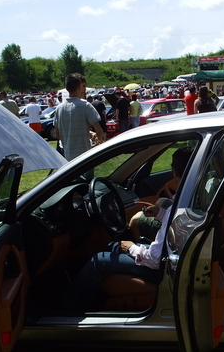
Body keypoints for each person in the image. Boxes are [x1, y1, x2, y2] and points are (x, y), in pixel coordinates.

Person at [69, 147, 191, 311]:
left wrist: (132, 248)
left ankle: (70, 306)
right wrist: (160, 213)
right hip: (174, 262)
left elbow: (155, 260)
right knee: (112, 247)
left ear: (174, 171)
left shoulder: (179, 210)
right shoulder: (190, 198)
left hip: (163, 269)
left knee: (98, 261)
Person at [54, 73, 104, 161]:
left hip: (68, 158)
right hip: (85, 157)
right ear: (79, 87)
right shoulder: (86, 105)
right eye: (83, 86)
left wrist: (88, 134)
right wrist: (98, 142)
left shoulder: (59, 108)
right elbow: (99, 131)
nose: (85, 89)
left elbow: (58, 135)